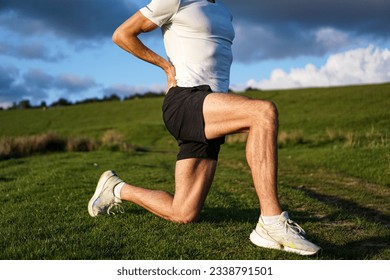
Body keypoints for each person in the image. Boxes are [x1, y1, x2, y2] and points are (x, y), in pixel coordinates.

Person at [88, 0, 321, 256]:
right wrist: (166, 66)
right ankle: (271, 220)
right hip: (185, 101)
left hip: (209, 106)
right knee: (263, 112)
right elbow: (122, 34)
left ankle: (117, 188)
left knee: (183, 212)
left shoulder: (223, 11)